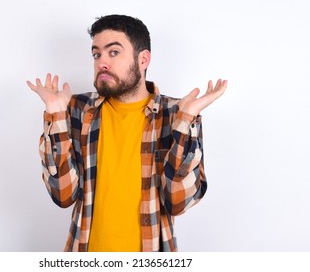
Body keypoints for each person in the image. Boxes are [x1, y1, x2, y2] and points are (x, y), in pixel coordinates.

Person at [27, 14, 227, 252]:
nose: (102, 62)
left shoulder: (176, 113)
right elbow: (63, 196)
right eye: (96, 54)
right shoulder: (77, 110)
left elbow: (177, 202)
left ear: (143, 59)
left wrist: (186, 121)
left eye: (113, 52)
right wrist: (55, 114)